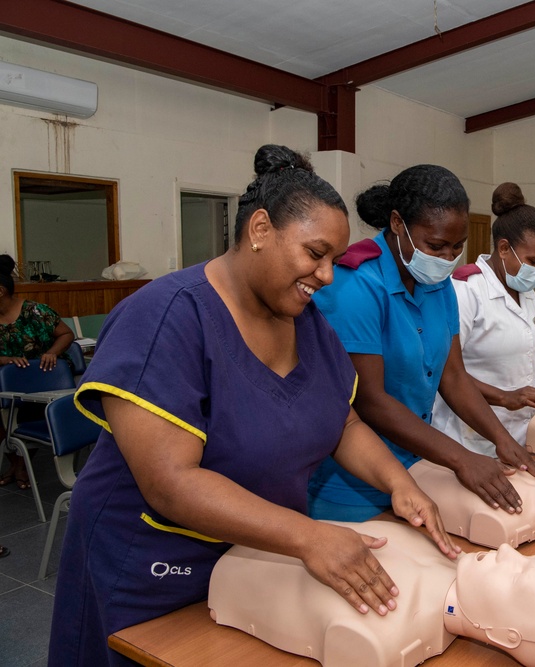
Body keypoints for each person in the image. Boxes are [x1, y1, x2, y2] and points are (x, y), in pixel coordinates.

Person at [48, 145, 459, 667]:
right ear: (260, 230)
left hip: (254, 558)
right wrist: (309, 537)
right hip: (153, 568)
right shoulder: (165, 317)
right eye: (316, 253)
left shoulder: (306, 323)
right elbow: (170, 482)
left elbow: (344, 422)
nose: (328, 275)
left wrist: (401, 485)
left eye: (334, 258)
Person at [308, 165, 535, 523]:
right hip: (352, 482)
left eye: (457, 246)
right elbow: (370, 400)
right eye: (435, 245)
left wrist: (502, 439)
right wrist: (460, 457)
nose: (447, 258)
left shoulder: (438, 285)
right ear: (396, 223)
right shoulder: (355, 286)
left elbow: (452, 376)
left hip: (418, 463)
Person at [209, 519, 535, 667]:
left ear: (503, 636)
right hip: (240, 551)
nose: (508, 552)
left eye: (516, 576)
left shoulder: (382, 634)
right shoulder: (445, 563)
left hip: (235, 564)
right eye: (527, 558)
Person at [432, 182, 535, 456]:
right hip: (470, 436)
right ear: (503, 248)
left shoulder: (525, 291)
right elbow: (445, 372)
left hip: (522, 431)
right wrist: (505, 397)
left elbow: (524, 357)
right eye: (533, 261)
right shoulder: (466, 289)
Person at [0, 254, 75, 490]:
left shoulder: (35, 311)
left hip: (43, 381)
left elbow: (66, 334)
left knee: (29, 411)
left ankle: (22, 465)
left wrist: (52, 352)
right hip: (6, 384)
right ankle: (17, 463)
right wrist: (4, 359)